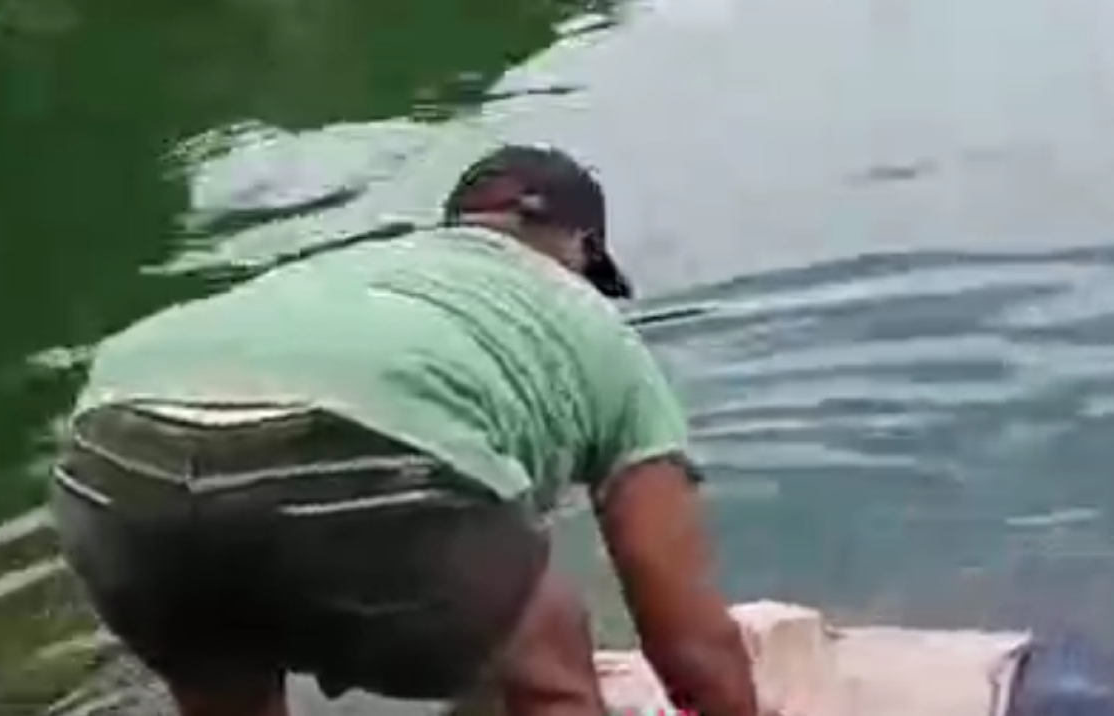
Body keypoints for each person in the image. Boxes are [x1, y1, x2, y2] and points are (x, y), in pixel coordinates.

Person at [51, 144, 760, 716]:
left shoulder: (359, 267)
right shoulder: (589, 322)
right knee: (550, 669)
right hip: (366, 455)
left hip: (111, 448)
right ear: (582, 248)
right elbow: (686, 632)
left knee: (223, 683)